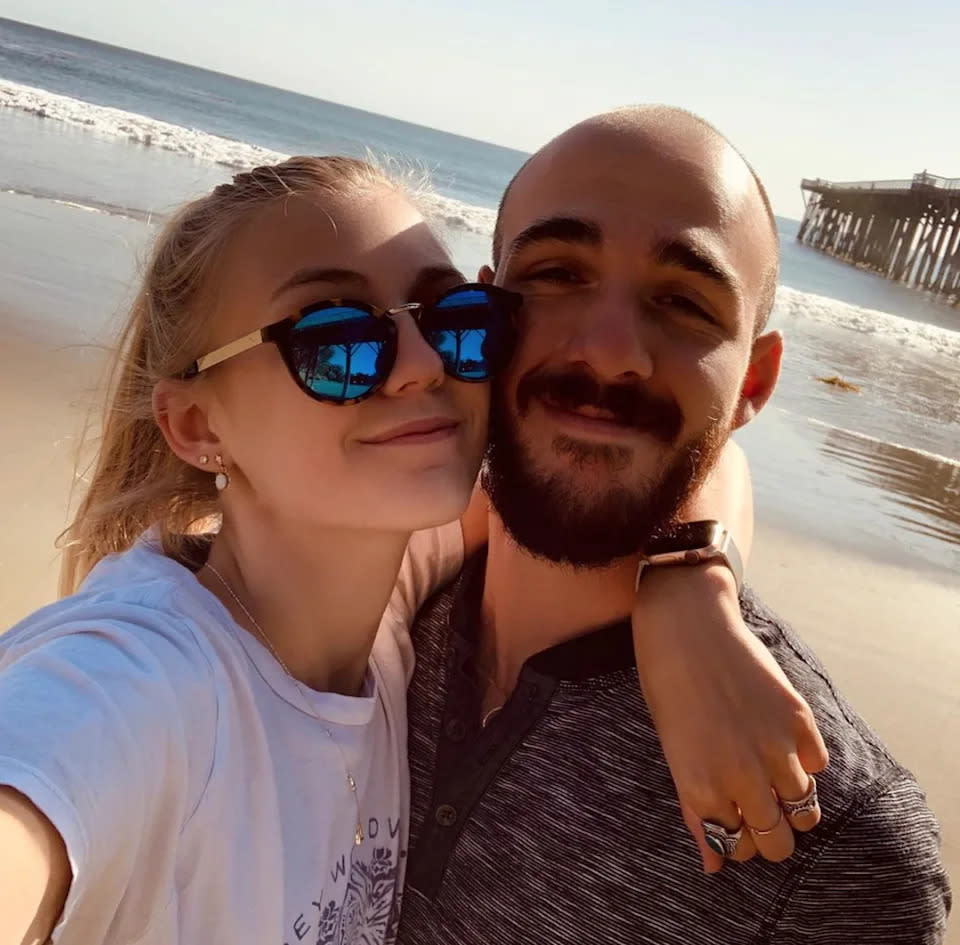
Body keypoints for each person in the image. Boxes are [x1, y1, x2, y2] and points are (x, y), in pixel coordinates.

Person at [0, 154, 825, 944]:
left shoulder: (388, 603)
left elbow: (706, 450)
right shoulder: (139, 681)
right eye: (337, 341)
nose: (423, 365)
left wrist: (693, 589)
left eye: (457, 321)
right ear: (196, 424)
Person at [397, 108, 952, 944]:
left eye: (684, 301)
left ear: (755, 381)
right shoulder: (376, 602)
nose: (612, 350)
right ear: (485, 313)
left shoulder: (833, 844)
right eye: (556, 272)